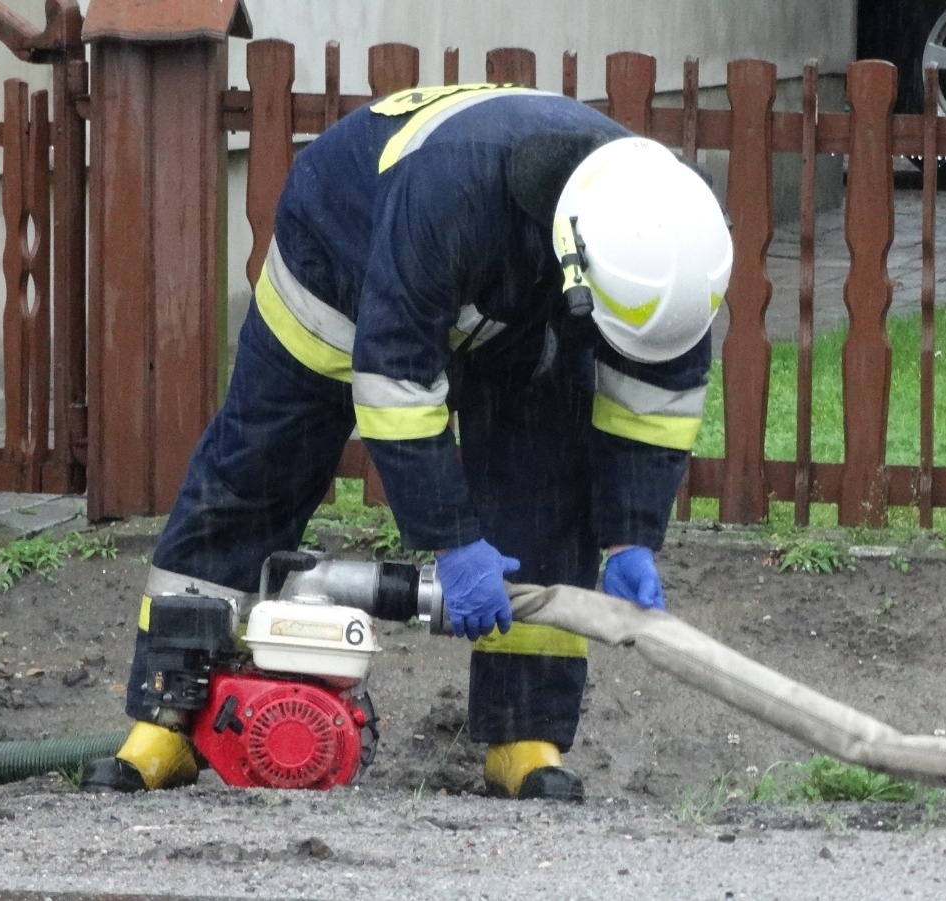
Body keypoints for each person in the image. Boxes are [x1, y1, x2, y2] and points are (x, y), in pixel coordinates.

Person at [84, 83, 733, 801]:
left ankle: (525, 735)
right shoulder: (453, 195)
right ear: (577, 264)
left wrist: (630, 536)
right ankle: (167, 718)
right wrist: (454, 543)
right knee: (255, 472)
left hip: (514, 310)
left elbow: (657, 407)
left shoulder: (666, 243)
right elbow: (394, 385)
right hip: (346, 255)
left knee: (545, 494)